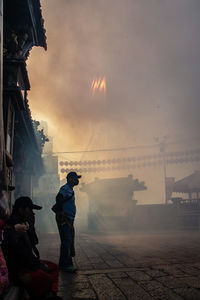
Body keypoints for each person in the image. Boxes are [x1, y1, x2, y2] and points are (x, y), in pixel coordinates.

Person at [2, 196, 62, 300]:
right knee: (46, 278)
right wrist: (37, 265)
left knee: (54, 267)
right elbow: (19, 254)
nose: (32, 213)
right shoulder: (15, 225)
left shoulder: (25, 223)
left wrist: (31, 226)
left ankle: (51, 293)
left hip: (30, 263)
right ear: (21, 209)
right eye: (30, 209)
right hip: (19, 269)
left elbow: (34, 242)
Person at [55, 171, 81, 273]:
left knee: (68, 241)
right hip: (64, 219)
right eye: (75, 178)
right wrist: (61, 212)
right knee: (67, 240)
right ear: (70, 179)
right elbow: (58, 198)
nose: (77, 180)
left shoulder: (70, 189)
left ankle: (63, 264)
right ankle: (66, 264)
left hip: (69, 219)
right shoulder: (65, 189)